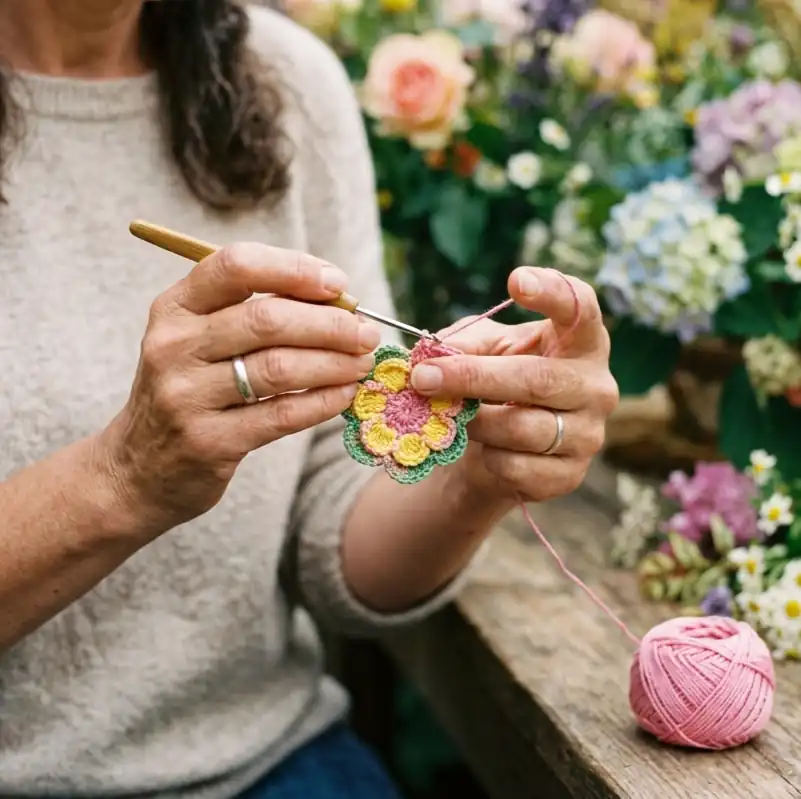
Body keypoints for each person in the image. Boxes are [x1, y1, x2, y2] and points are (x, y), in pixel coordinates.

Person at [0, 1, 619, 797]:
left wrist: (480, 468)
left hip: (267, 761)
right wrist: (123, 479)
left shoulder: (286, 84)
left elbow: (331, 534)